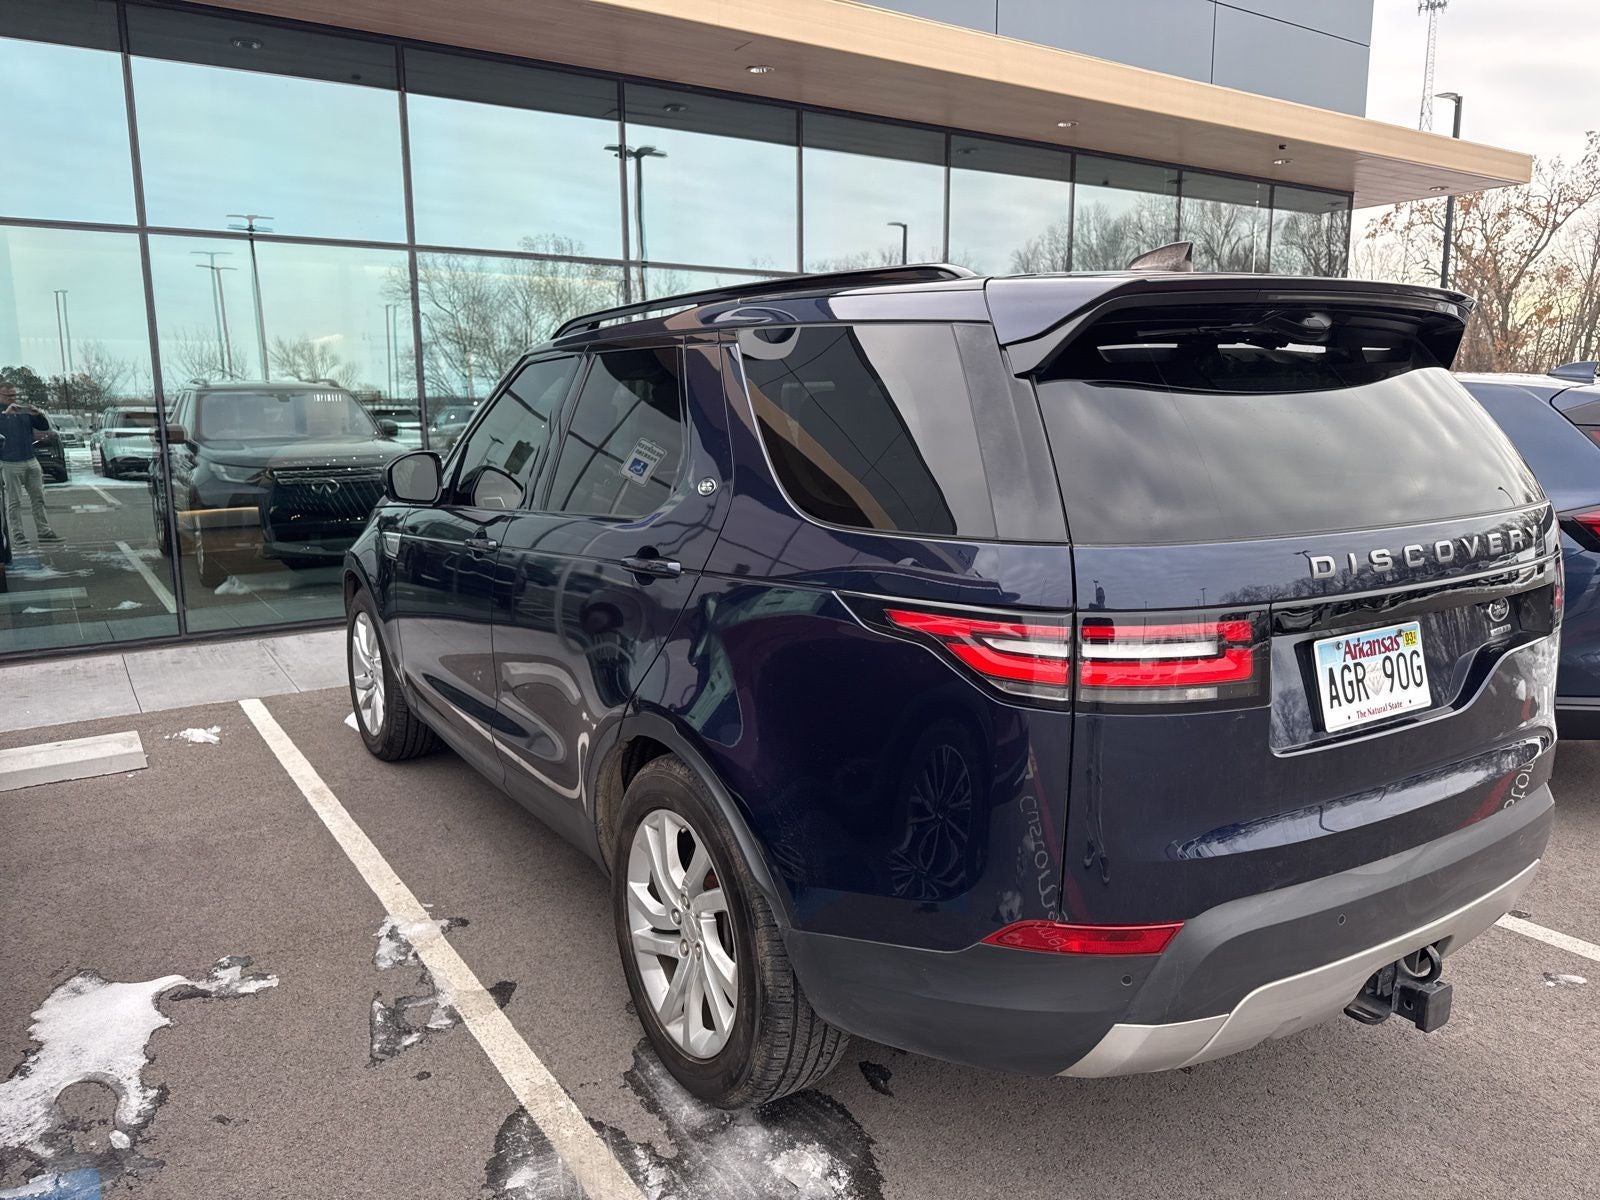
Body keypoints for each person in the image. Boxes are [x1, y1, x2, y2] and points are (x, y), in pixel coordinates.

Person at [0, 383, 61, 548]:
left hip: (30, 459)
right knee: (14, 501)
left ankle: (44, 531)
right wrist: (5, 415)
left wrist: (38, 414)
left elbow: (43, 426)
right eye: (8, 396)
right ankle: (18, 535)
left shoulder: (22, 411)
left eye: (14, 395)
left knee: (38, 497)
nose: (12, 399)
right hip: (9, 462)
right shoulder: (3, 413)